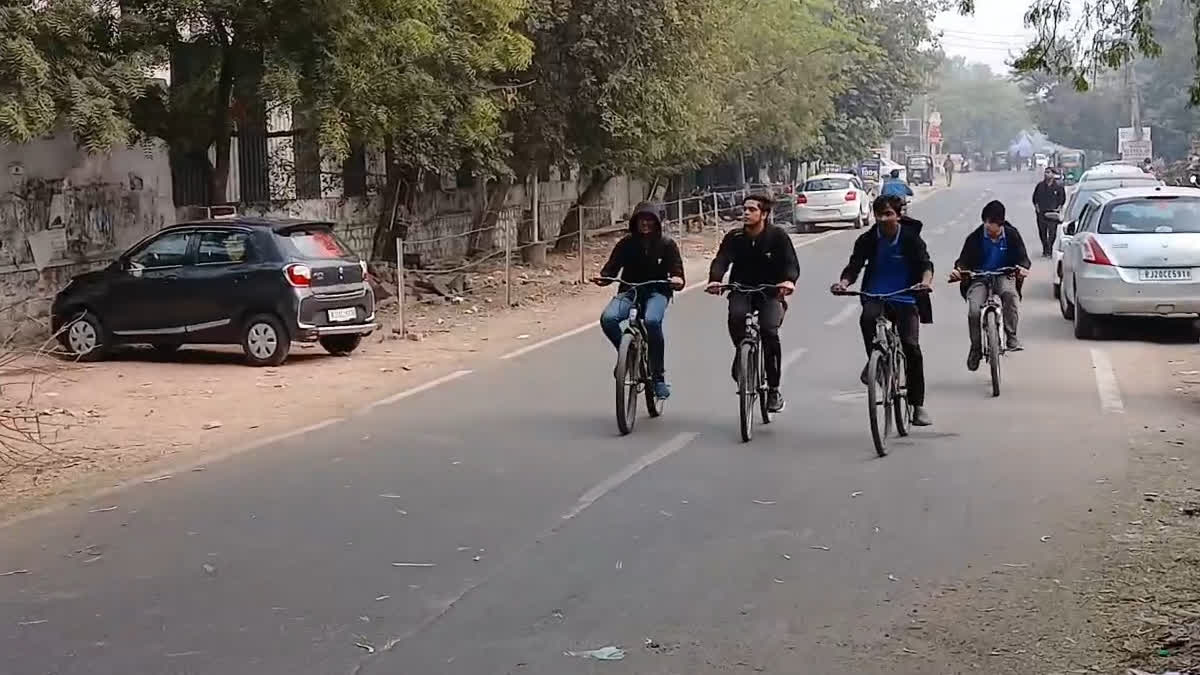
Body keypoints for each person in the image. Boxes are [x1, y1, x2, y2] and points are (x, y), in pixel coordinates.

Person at [831, 195, 935, 427]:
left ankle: (917, 405)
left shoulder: (910, 239)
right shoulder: (867, 239)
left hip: (906, 296)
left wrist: (926, 282)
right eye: (879, 214)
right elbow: (854, 266)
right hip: (875, 294)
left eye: (888, 214)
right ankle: (874, 361)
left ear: (898, 215)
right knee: (867, 319)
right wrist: (844, 283)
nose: (883, 219)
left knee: (911, 348)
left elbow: (925, 265)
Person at [706, 192, 799, 413]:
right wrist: (715, 280)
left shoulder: (778, 236)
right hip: (741, 289)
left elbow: (791, 263)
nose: (746, 213)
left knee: (769, 332)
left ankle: (774, 389)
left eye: (752, 210)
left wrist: (788, 281)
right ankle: (742, 354)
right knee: (736, 317)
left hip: (770, 292)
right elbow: (721, 260)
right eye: (744, 209)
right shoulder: (735, 237)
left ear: (764, 214)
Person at [596, 202, 685, 399]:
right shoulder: (626, 244)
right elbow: (611, 268)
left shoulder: (667, 245)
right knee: (608, 318)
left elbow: (677, 272)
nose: (645, 223)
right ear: (634, 222)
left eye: (649, 220)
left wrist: (677, 280)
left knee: (652, 321)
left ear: (656, 222)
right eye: (641, 220)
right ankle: (627, 356)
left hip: (657, 292)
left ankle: (658, 378)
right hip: (630, 291)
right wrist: (603, 278)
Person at [949, 200, 1032, 371]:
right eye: (988, 227)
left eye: (994, 228)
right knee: (973, 312)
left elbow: (1023, 257)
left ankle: (1011, 336)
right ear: (984, 222)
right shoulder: (975, 237)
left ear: (1001, 224)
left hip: (1003, 274)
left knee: (1010, 295)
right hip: (978, 277)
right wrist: (959, 271)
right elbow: (963, 261)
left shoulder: (1011, 235)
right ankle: (975, 348)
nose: (991, 232)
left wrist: (1023, 268)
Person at [1032, 167, 1066, 257]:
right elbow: (1035, 199)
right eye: (1045, 172)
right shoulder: (1040, 186)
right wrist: (1037, 209)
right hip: (1042, 213)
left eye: (1048, 172)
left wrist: (1059, 208)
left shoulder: (1058, 187)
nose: (1046, 174)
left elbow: (1062, 199)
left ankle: (1050, 249)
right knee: (1042, 232)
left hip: (1053, 214)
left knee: (1052, 233)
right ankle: (1045, 249)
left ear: (1053, 174)